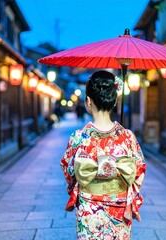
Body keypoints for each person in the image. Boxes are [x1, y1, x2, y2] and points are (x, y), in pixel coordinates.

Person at [60, 70, 146, 239]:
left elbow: (69, 173)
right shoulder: (128, 136)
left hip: (89, 208)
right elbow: (138, 171)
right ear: (114, 102)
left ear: (89, 101)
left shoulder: (78, 137)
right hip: (119, 207)